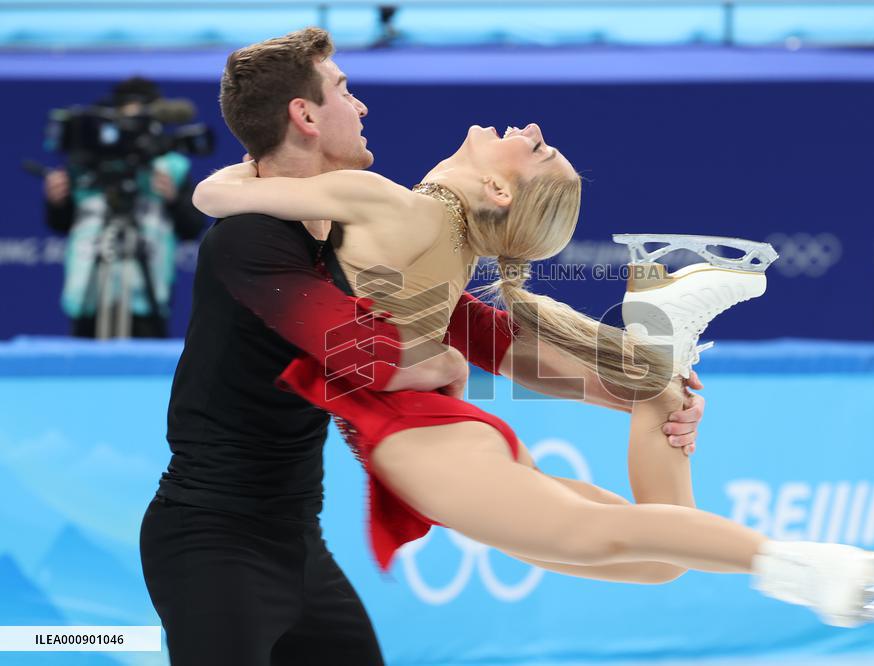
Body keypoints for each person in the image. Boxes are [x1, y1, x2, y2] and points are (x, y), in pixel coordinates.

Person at [194, 109, 874, 630]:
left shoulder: (398, 210)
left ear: (499, 193)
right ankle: (664, 359)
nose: (534, 132)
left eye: (538, 152)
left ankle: (806, 566)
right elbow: (498, 350)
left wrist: (259, 162)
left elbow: (216, 195)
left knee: (599, 535)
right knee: (656, 555)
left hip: (420, 436)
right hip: (444, 432)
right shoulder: (443, 247)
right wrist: (645, 393)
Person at [139, 28, 706, 666]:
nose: (360, 107)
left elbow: (496, 343)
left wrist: (635, 393)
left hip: (295, 539)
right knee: (638, 548)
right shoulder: (249, 242)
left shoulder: (356, 244)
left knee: (652, 554)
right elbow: (364, 357)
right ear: (303, 115)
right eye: (343, 91)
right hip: (212, 540)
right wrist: (446, 362)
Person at [44, 77, 205, 338]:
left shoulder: (173, 166)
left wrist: (173, 198)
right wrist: (57, 201)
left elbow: (192, 227)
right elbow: (60, 223)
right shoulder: (84, 162)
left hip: (147, 288)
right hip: (89, 292)